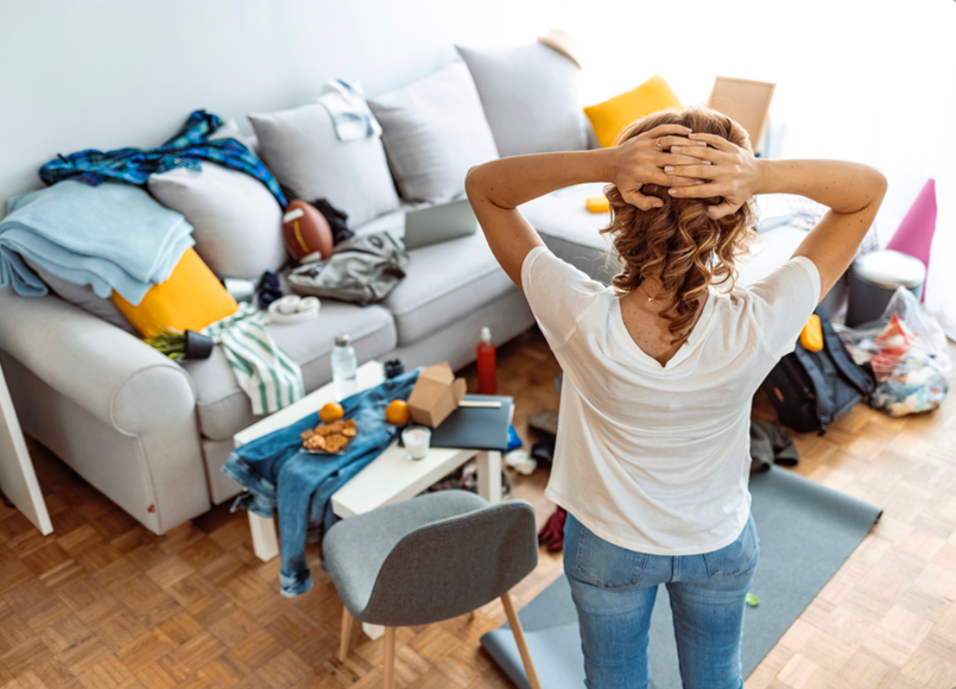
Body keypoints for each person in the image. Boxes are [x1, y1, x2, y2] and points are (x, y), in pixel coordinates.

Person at [464, 106, 886, 689]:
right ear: (734, 220)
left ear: (621, 208)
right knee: (717, 677)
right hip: (718, 544)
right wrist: (756, 174)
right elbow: (867, 191)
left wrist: (604, 162)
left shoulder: (574, 312)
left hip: (608, 546)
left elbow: (484, 188)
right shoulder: (760, 321)